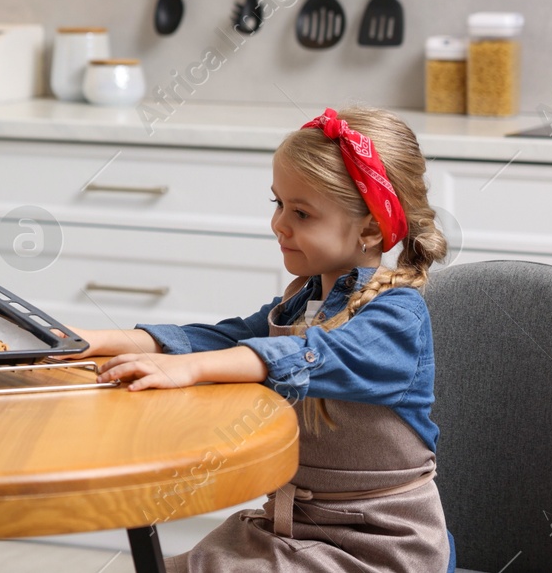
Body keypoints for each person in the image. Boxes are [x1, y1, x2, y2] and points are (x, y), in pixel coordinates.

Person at [67, 106, 454, 572]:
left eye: (302, 213)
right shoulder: (303, 301)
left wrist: (189, 370)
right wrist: (88, 339)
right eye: (278, 204)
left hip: (377, 547)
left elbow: (308, 355)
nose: (279, 225)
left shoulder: (396, 317)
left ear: (371, 227)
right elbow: (218, 338)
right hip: (291, 528)